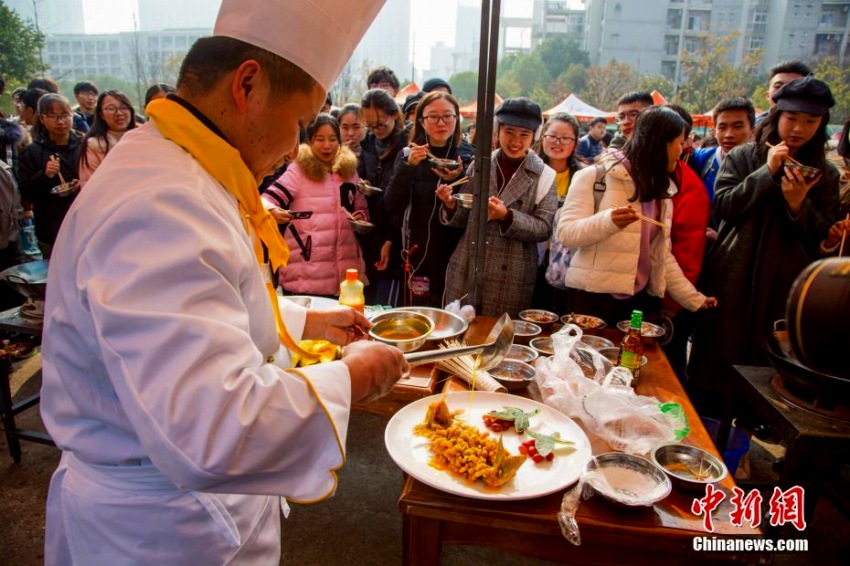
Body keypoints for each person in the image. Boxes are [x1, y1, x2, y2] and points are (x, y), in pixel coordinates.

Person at [39, 1, 408, 563]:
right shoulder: (162, 203)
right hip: (159, 532)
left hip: (184, 514)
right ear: (249, 85)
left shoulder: (177, 164)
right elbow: (208, 426)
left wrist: (305, 318)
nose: (295, 143)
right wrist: (349, 380)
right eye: (300, 120)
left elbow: (206, 312)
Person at [689, 76, 840, 417]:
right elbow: (724, 206)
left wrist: (799, 204)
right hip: (732, 274)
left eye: (810, 121)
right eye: (792, 119)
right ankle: (707, 427)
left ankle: (748, 433)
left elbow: (821, 238)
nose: (798, 129)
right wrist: (766, 174)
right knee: (717, 358)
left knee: (766, 364)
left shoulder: (825, 173)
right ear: (776, 116)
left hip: (782, 282)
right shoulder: (745, 156)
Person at [555, 106, 717, 325]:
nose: (682, 150)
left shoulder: (661, 190)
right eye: (679, 143)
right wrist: (608, 221)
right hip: (592, 299)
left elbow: (662, 254)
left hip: (638, 302)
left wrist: (693, 299)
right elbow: (566, 233)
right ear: (659, 143)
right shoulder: (594, 177)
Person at [438, 97, 557, 317]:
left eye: (524, 135)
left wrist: (508, 216)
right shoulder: (480, 165)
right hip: (468, 265)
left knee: (498, 338)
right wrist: (451, 204)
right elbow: (465, 216)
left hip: (511, 275)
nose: (515, 141)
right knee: (459, 333)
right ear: (498, 131)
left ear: (535, 137)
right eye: (509, 132)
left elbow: (544, 228)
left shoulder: (545, 175)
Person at [263, 113, 368, 296]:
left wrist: (360, 216)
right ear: (310, 141)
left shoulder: (349, 172)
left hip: (347, 276)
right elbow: (266, 200)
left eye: (333, 139)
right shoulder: (298, 171)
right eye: (320, 139)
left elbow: (360, 207)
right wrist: (273, 211)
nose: (327, 145)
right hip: (305, 273)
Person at [384, 91, 473, 307]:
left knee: (453, 315)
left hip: (456, 253)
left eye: (447, 116)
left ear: (456, 119)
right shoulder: (409, 155)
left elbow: (472, 212)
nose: (441, 123)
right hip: (418, 252)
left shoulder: (469, 157)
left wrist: (460, 178)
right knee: (418, 315)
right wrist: (409, 168)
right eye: (433, 117)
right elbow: (391, 205)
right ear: (421, 121)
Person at [661, 105, 711, 381]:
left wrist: (673, 303)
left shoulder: (688, 187)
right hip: (627, 294)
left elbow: (686, 252)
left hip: (669, 301)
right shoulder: (626, 174)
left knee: (665, 372)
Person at [17, 93, 83, 258]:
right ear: (42, 119)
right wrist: (45, 175)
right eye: (53, 116)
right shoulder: (32, 152)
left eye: (65, 115)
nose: (60, 121)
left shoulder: (85, 145)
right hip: (51, 228)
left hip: (85, 222)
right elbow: (25, 192)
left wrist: (83, 182)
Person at [357, 88, 407, 306]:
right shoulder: (367, 144)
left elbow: (404, 199)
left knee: (386, 305)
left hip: (395, 234)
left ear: (394, 115)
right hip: (369, 231)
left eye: (380, 125)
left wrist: (390, 239)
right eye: (370, 126)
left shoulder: (406, 146)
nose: (376, 131)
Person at [532, 112, 584, 312]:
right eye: (552, 136)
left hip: (568, 261)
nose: (557, 142)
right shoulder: (529, 172)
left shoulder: (583, 177)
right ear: (543, 137)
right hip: (532, 256)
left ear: (575, 142)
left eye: (565, 138)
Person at [691, 97, 755, 202]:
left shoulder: (762, 166)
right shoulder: (702, 159)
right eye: (722, 127)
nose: (729, 134)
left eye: (737, 127)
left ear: (752, 131)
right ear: (715, 131)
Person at [78, 91, 138, 188]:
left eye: (124, 108)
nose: (119, 113)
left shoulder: (144, 137)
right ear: (101, 114)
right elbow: (89, 183)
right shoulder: (94, 145)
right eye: (111, 109)